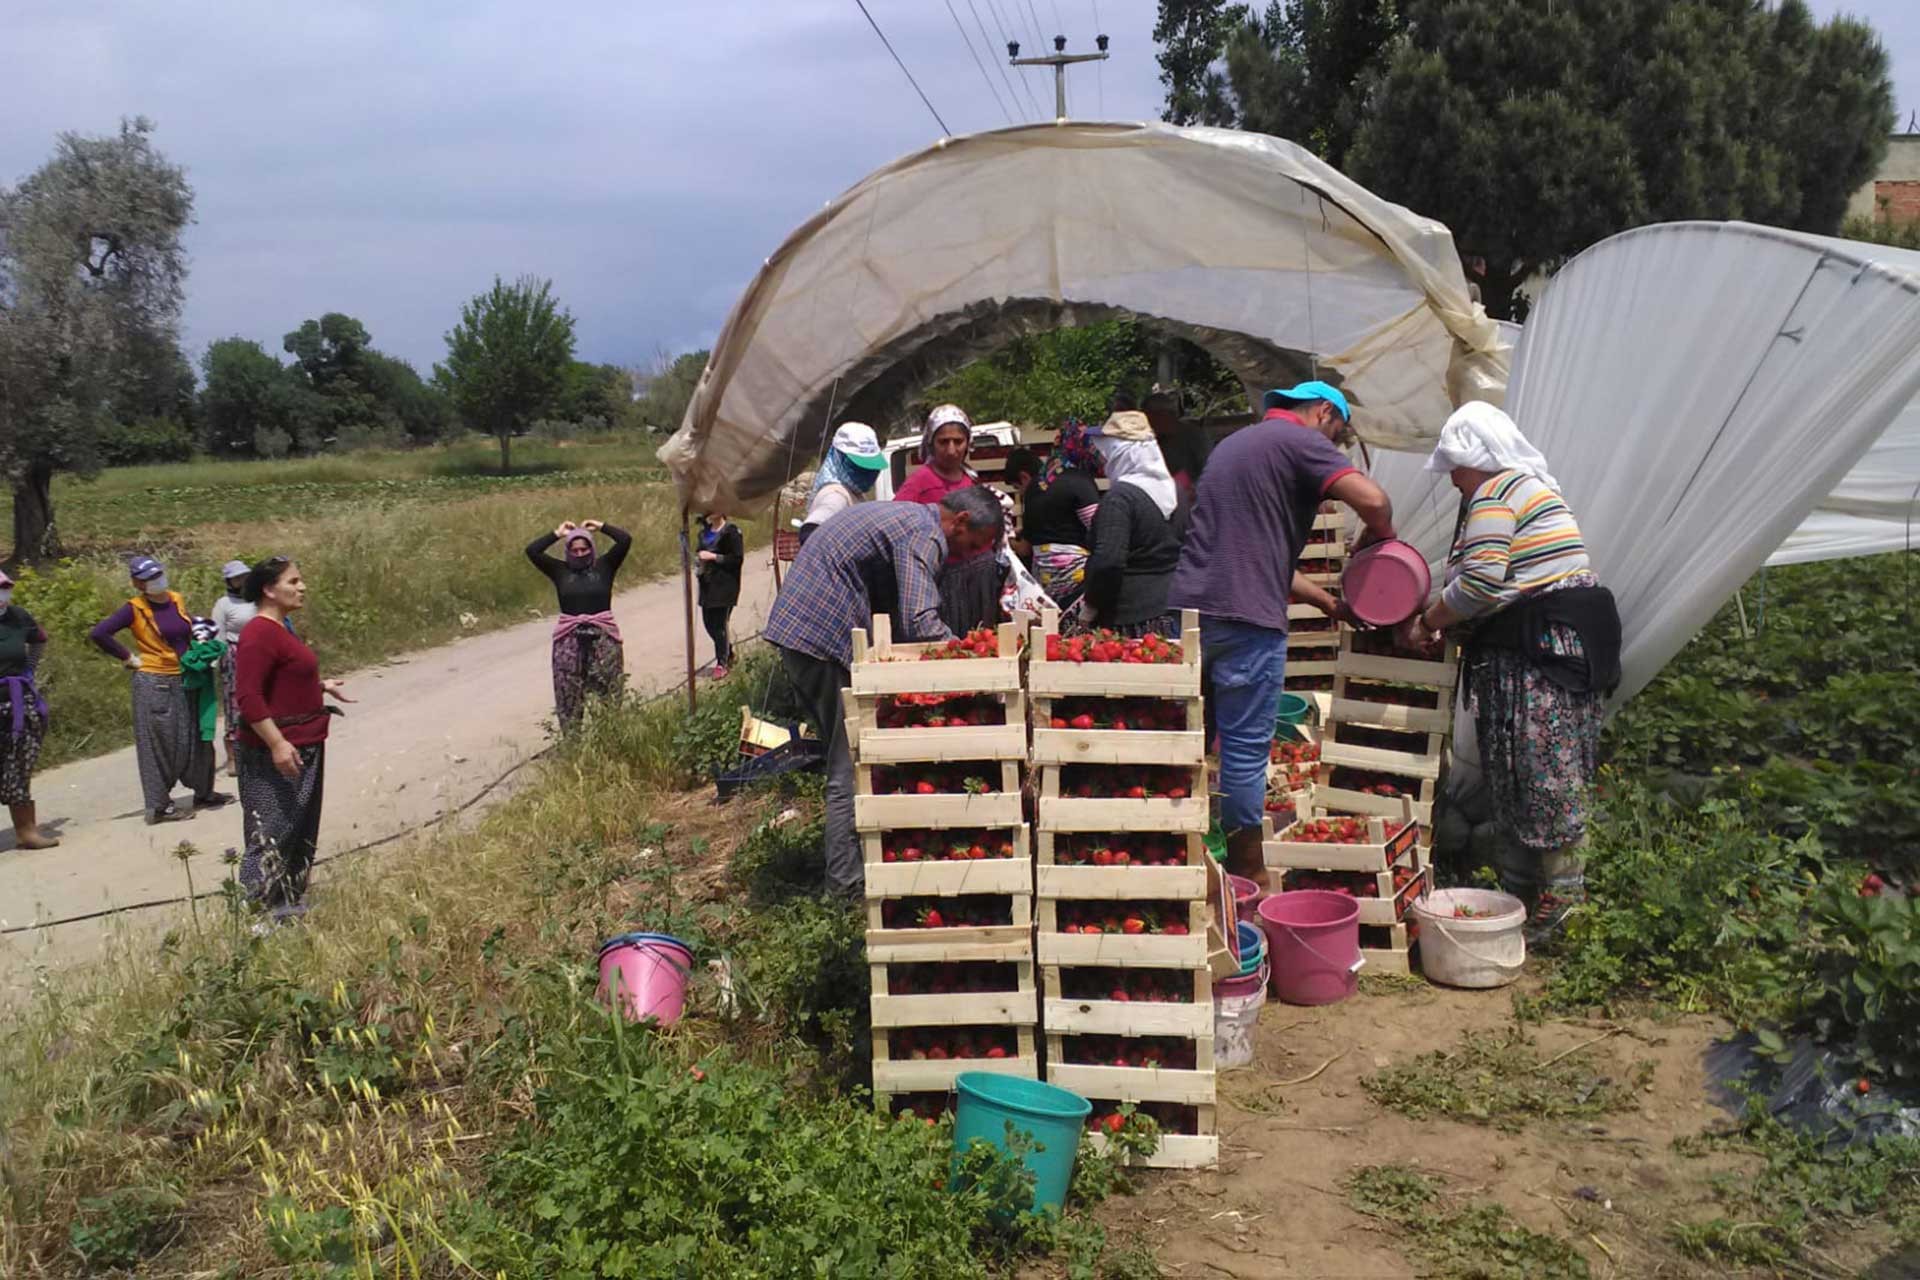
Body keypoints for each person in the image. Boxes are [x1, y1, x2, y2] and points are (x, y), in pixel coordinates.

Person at [1405, 402, 1621, 941]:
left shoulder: (1497, 491)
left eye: (1455, 465)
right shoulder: (1514, 489)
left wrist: (1430, 620)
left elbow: (1480, 583)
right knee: (1518, 769)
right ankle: (1519, 892)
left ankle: (1563, 898)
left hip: (1542, 655)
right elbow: (1499, 582)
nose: (1452, 478)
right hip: (1534, 649)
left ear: (1476, 458)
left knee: (1542, 767)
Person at [1168, 381, 1393, 890]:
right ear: (1322, 412)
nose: (1333, 447)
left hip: (1190, 614)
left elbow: (1261, 557)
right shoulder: (1301, 440)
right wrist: (1383, 538)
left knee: (1186, 740)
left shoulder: (1233, 446)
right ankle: (1248, 872)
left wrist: (1330, 604)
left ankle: (1179, 856)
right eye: (1337, 434)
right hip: (1248, 620)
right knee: (1245, 751)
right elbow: (1374, 500)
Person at [763, 488, 1002, 897]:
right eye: (971, 544)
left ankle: (856, 861)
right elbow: (921, 620)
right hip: (820, 637)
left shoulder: (905, 516)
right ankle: (844, 886)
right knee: (849, 762)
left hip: (800, 630)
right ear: (959, 522)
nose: (965, 554)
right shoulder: (923, 533)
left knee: (849, 755)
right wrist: (973, 662)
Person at [233, 557, 352, 917]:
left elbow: (282, 682)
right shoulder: (258, 632)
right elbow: (248, 697)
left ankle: (288, 906)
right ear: (269, 589)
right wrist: (276, 743)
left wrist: (319, 687)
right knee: (272, 832)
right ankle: (257, 913)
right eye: (293, 581)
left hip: (305, 742)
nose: (302, 588)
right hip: (278, 752)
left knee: (299, 830)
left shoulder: (281, 628)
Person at [90, 556, 231, 824]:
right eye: (149, 578)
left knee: (198, 736)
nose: (156, 581)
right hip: (155, 681)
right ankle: (158, 806)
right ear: (137, 583)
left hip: (187, 676)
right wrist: (128, 658)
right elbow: (100, 633)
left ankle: (204, 792)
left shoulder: (175, 599)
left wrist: (204, 644)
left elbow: (185, 628)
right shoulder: (134, 609)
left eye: (158, 574)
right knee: (159, 743)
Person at [894, 404, 1002, 633]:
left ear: (968, 443)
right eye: (944, 442)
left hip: (977, 582)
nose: (952, 449)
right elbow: (898, 524)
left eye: (958, 441)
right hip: (941, 581)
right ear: (931, 443)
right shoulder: (919, 482)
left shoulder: (970, 479)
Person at [1079, 405, 1184, 638]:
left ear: (1120, 452)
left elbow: (1108, 562)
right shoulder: (1174, 492)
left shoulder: (1120, 499)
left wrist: (1090, 607)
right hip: (1170, 606)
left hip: (1130, 619)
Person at [526, 519, 632, 728]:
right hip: (569, 638)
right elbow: (532, 551)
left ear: (591, 549)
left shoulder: (604, 566)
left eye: (584, 549)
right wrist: (557, 533)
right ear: (568, 551)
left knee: (609, 687)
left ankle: (610, 734)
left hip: (603, 635)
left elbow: (625, 540)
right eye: (575, 550)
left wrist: (601, 526)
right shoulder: (560, 571)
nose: (580, 553)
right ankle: (573, 741)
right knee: (569, 690)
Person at [0, 571, 57, 849]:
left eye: (5, 587)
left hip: (17, 701)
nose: (3, 593)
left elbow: (39, 639)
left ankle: (26, 831)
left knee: (20, 764)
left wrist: (29, 671)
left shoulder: (18, 616)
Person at [1019, 420, 1102, 610]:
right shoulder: (1078, 480)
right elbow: (1099, 530)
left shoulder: (1035, 484)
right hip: (1075, 577)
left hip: (1043, 577)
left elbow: (1030, 536)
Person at [799, 422, 888, 546]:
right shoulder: (836, 496)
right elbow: (810, 531)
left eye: (871, 468)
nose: (868, 473)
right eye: (861, 467)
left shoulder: (851, 492)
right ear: (838, 459)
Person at [209, 559, 257, 775]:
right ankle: (233, 756)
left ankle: (259, 749)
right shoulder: (224, 604)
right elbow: (217, 634)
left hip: (258, 652)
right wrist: (214, 663)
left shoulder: (258, 599)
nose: (243, 581)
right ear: (229, 581)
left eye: (245, 577)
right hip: (235, 656)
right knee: (235, 703)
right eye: (238, 578)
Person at [696, 512, 745, 678]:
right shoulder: (703, 533)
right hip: (707, 584)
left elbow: (737, 559)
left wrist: (713, 557)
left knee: (720, 624)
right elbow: (699, 552)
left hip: (725, 585)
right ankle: (728, 651)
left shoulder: (731, 532)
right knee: (708, 624)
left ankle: (721, 663)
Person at [1145, 388, 1211, 502]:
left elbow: (1208, 470)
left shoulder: (1193, 436)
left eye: (1150, 418)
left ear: (1163, 415)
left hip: (1189, 499)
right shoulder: (1150, 440)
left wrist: (1192, 489)